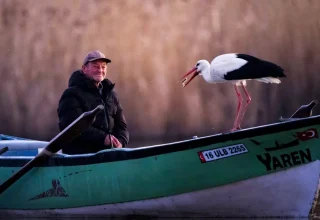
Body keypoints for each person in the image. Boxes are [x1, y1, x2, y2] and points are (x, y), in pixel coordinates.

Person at [57, 50, 129, 154]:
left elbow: (122, 126)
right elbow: (72, 127)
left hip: (109, 157)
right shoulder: (71, 94)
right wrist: (103, 138)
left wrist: (121, 143)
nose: (100, 70)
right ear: (84, 69)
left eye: (103, 67)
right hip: (80, 159)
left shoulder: (111, 95)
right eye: (95, 66)